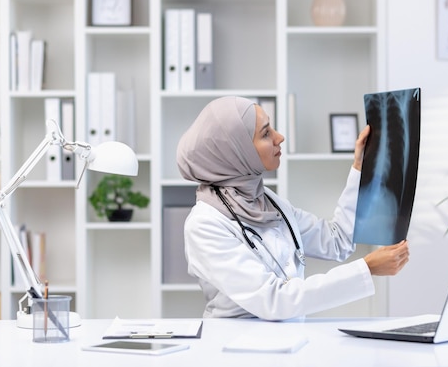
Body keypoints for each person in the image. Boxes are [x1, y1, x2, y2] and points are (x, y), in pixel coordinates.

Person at [176, 96, 410, 320]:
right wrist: (366, 269)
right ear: (237, 150)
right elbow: (274, 301)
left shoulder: (267, 201)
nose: (280, 137)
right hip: (231, 348)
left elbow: (337, 242)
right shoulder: (205, 224)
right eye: (266, 133)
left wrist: (360, 165)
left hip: (288, 341)